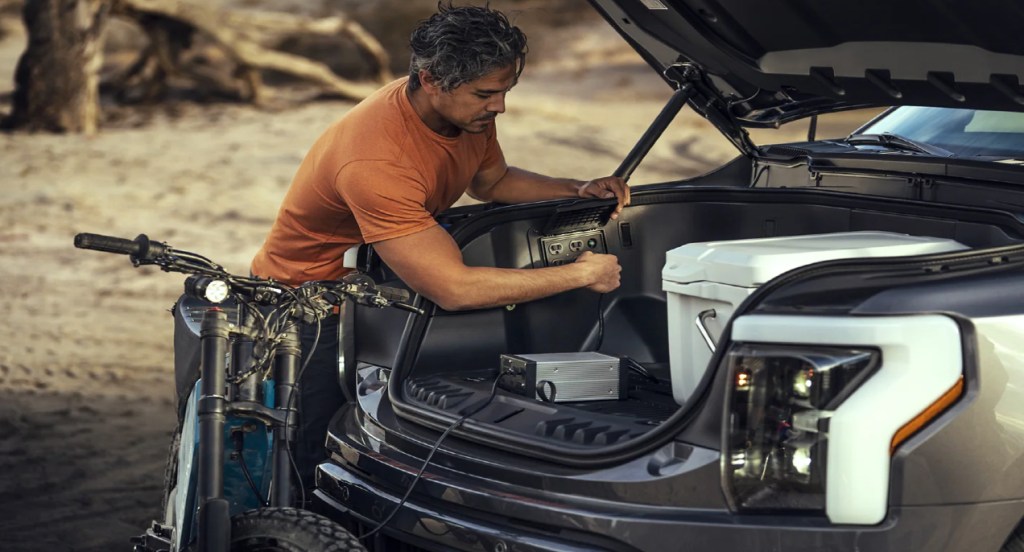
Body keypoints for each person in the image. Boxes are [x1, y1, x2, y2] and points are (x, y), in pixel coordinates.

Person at [249, 2, 628, 491]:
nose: (500, 108)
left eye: (505, 91)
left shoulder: (464, 113)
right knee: (310, 459)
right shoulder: (375, 160)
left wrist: (576, 190)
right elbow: (453, 289)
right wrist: (581, 275)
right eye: (487, 94)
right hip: (307, 306)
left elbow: (493, 181)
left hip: (374, 288)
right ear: (430, 79)